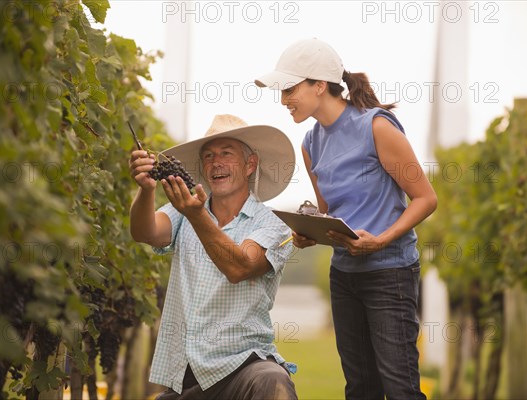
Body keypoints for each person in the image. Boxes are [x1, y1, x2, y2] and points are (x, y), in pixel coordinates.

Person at [255, 38, 437, 400]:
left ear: (319, 85)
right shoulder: (311, 143)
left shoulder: (377, 127)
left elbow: (426, 199)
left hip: (390, 274)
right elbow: (331, 215)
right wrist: (310, 232)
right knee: (359, 389)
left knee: (400, 388)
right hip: (344, 276)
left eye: (290, 89)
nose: (283, 99)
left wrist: (382, 239)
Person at [128, 114, 298, 399]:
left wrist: (196, 217)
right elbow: (145, 232)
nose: (215, 162)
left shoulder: (274, 225)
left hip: (244, 366)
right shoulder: (186, 212)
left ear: (250, 165)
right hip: (187, 374)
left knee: (272, 383)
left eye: (226, 153)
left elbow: (240, 266)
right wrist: (145, 191)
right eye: (208, 156)